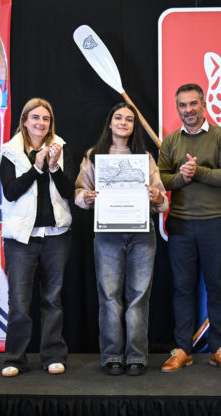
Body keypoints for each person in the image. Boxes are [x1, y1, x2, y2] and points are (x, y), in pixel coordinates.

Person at [75, 103, 169, 376]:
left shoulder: (145, 158)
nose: (123, 122)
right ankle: (112, 356)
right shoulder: (94, 156)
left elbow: (163, 202)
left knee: (139, 296)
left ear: (134, 126)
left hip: (142, 232)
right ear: (110, 122)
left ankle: (136, 356)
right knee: (109, 297)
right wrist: (86, 197)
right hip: (108, 233)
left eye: (129, 119)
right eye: (118, 117)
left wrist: (157, 197)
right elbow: (79, 193)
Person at [157, 83, 221, 372]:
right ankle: (183, 349)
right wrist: (181, 177)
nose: (188, 109)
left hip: (215, 224)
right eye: (183, 105)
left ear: (203, 105)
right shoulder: (170, 141)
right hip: (180, 225)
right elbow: (162, 180)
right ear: (177, 108)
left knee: (216, 288)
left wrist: (198, 171)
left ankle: (218, 348)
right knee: (182, 288)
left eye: (193, 103)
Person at [0, 98, 76, 377]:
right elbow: (10, 192)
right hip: (21, 239)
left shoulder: (61, 148)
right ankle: (15, 358)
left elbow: (69, 191)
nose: (40, 123)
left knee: (52, 300)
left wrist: (54, 167)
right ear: (24, 121)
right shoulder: (10, 151)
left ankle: (53, 355)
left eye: (46, 118)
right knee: (19, 303)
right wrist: (37, 167)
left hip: (56, 236)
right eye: (35, 117)